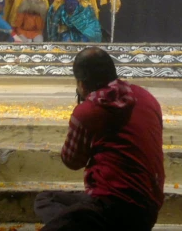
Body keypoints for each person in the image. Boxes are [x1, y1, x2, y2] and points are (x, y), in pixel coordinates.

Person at [34, 47, 164, 231]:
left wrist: (81, 117)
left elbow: (71, 161)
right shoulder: (146, 98)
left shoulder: (88, 110)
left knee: (47, 204)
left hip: (111, 206)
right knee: (48, 199)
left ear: (81, 83)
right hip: (149, 207)